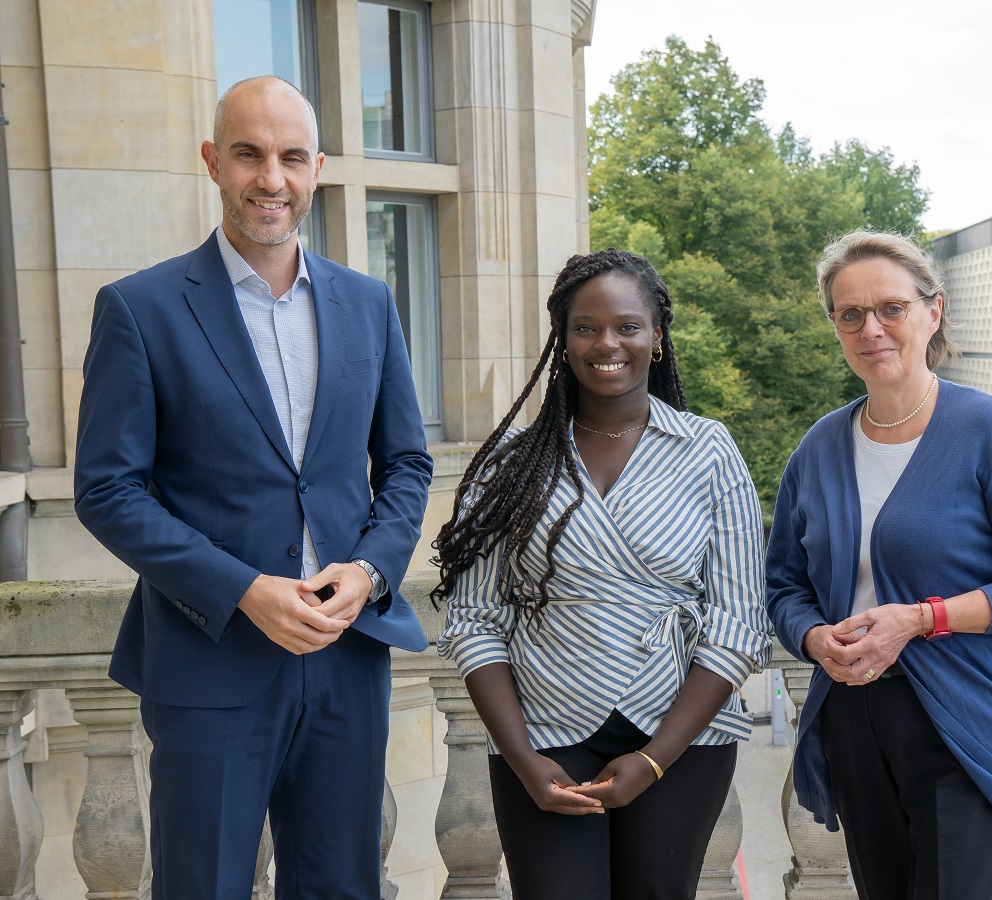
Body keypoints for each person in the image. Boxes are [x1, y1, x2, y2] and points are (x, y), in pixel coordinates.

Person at [74, 76, 433, 898]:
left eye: (292, 158)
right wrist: (242, 591)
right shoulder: (140, 308)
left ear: (316, 170)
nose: (271, 178)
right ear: (212, 161)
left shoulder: (370, 304)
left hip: (346, 659)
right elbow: (106, 488)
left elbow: (407, 465)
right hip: (209, 663)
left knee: (344, 886)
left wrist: (372, 569)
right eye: (249, 154)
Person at [766, 230, 992, 900]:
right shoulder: (819, 447)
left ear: (932, 312)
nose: (872, 328)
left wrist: (919, 620)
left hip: (965, 720)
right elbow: (784, 586)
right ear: (835, 325)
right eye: (850, 314)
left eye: (891, 307)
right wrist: (811, 636)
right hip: (854, 721)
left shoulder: (988, 430)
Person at [434, 249, 771, 900]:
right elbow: (475, 622)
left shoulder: (709, 450)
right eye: (585, 328)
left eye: (627, 326)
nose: (606, 343)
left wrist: (653, 758)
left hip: (680, 731)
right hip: (543, 734)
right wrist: (523, 758)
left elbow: (736, 622)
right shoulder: (513, 463)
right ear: (562, 340)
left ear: (659, 337)